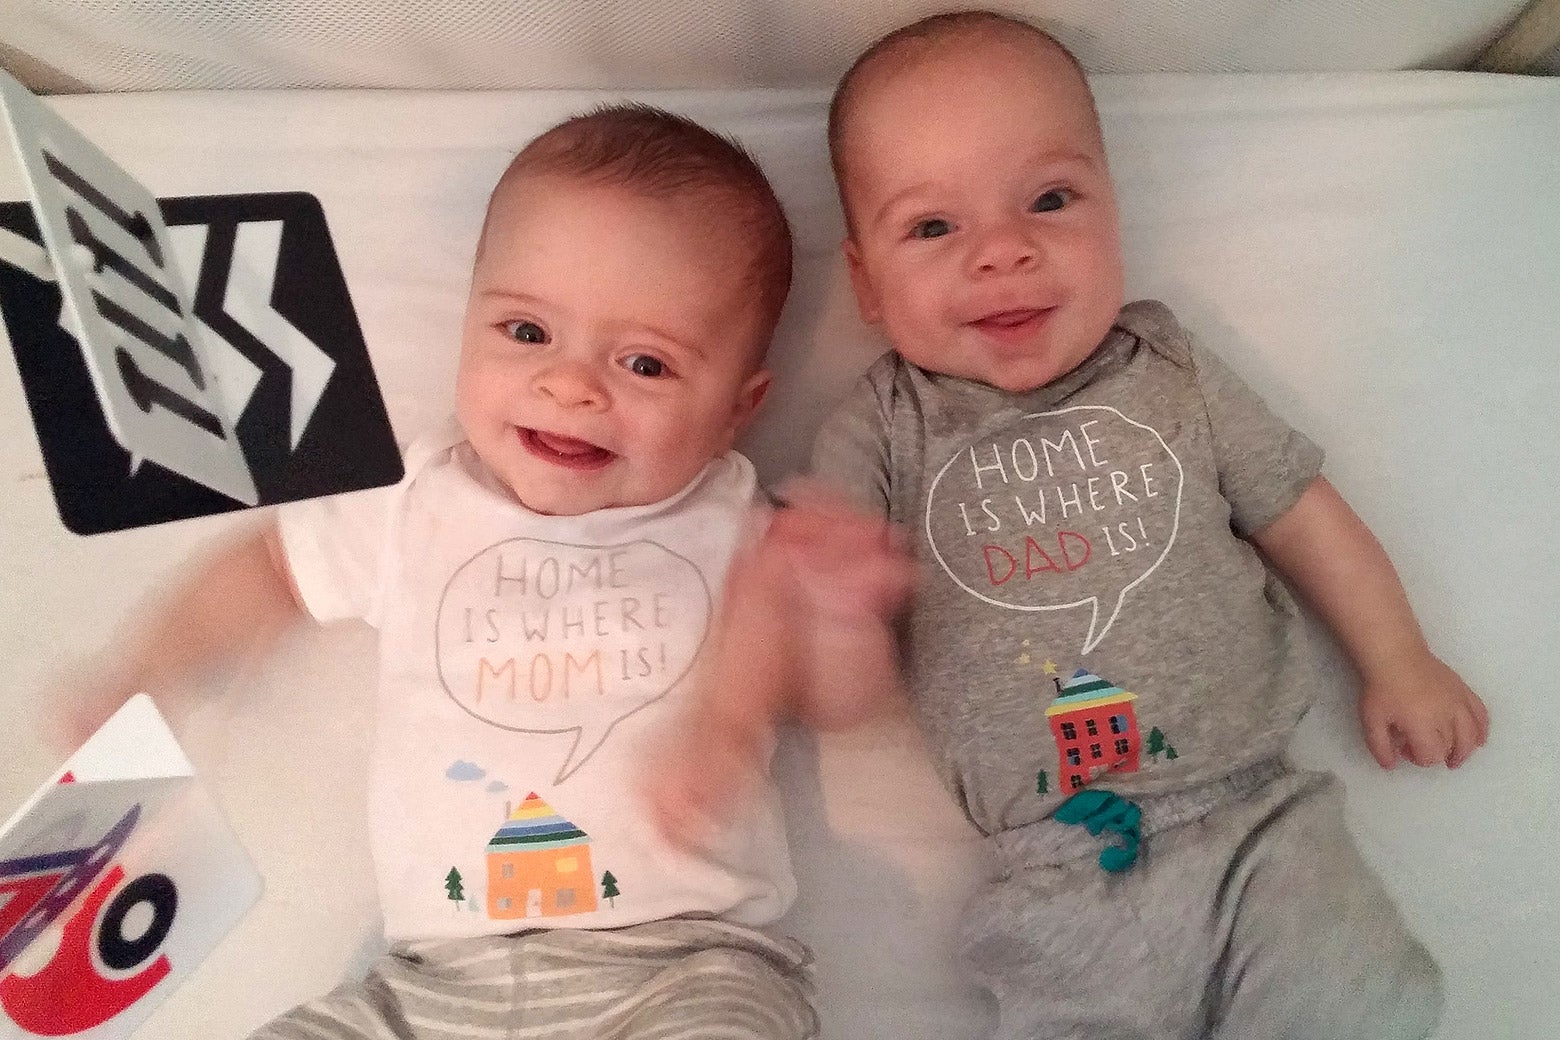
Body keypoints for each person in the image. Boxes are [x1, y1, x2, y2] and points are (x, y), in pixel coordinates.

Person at [665, 11, 1490, 1039]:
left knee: (1353, 1000)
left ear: (1114, 217)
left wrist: (1400, 657)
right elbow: (843, 702)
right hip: (1055, 869)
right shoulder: (877, 431)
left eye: (1050, 200)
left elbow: (1300, 507)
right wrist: (838, 612)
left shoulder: (1168, 368)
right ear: (868, 284)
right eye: (934, 227)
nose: (1005, 251)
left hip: (1260, 824)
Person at [51, 104, 827, 1040]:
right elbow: (267, 570)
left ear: (739, 409)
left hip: (679, 966)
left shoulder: (734, 521)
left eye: (646, 363)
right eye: (527, 333)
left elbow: (791, 639)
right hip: (429, 981)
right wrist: (148, 671)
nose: (572, 386)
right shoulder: (416, 503)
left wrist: (728, 725)